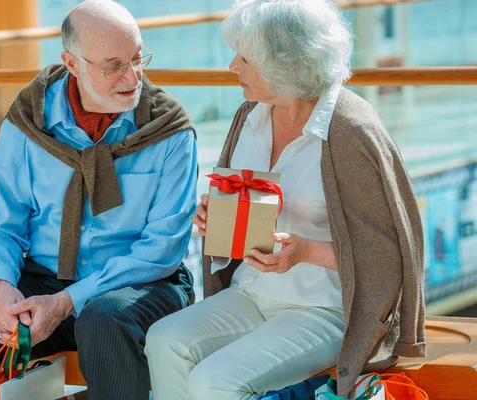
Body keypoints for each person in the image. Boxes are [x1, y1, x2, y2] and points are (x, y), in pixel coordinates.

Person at [145, 0, 425, 399]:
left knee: (213, 382)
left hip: (326, 310)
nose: (232, 67)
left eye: (244, 58)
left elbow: (392, 255)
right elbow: (239, 209)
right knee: (163, 338)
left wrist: (306, 251)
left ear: (286, 63)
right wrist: (219, 219)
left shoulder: (351, 130)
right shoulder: (249, 115)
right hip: (250, 292)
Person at [0, 1, 197, 399]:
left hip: (140, 284)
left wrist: (68, 302)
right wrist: (1, 290)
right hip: (44, 278)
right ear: (72, 64)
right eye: (113, 65)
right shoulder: (28, 121)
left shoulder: (168, 129)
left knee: (103, 321)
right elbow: (1, 225)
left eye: (138, 59)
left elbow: (161, 251)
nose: (132, 76)